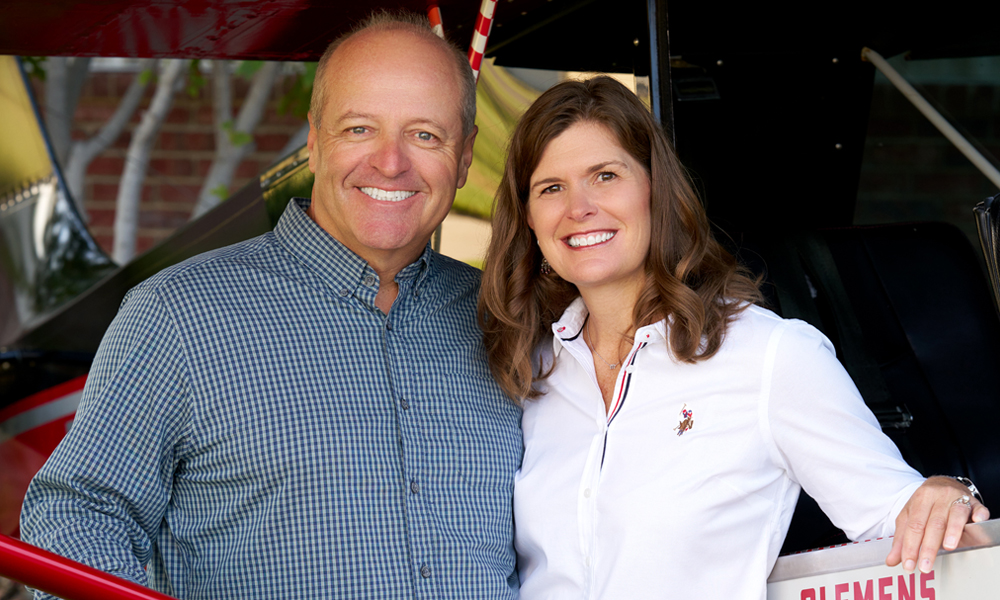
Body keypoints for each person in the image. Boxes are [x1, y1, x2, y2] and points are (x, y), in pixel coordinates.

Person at [21, 12, 522, 600]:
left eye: (425, 135)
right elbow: (80, 513)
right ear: (314, 141)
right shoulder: (178, 315)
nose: (390, 163)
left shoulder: (504, 318)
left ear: (465, 158)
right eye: (360, 129)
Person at [478, 76, 989, 599]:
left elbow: (893, 510)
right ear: (529, 219)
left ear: (656, 192)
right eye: (551, 187)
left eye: (605, 176)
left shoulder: (770, 356)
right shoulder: (529, 366)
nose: (578, 207)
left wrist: (948, 493)